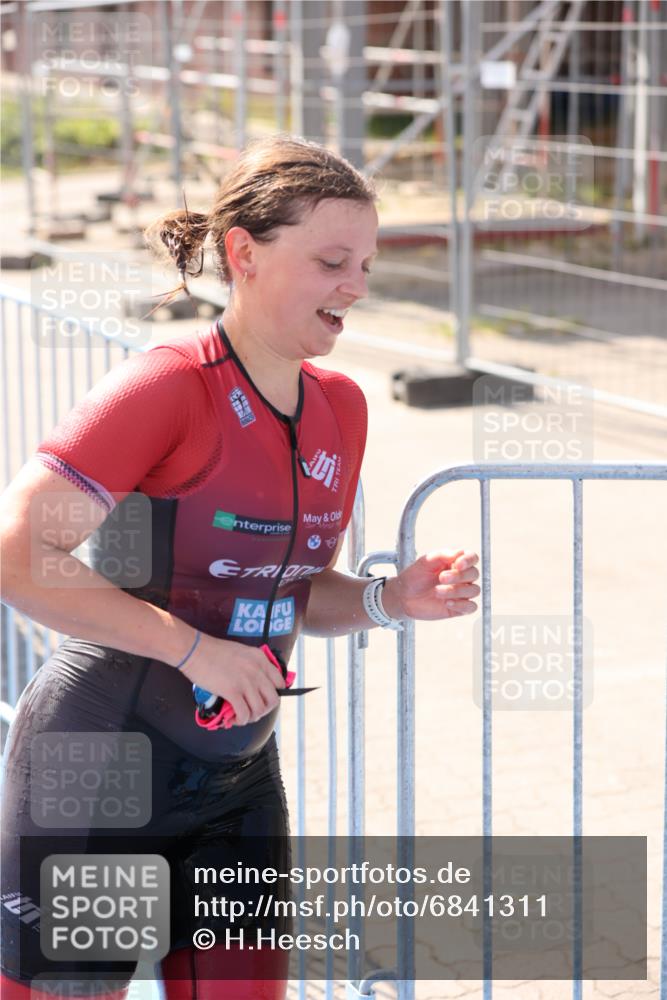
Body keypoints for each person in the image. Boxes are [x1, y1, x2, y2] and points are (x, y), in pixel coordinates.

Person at [0, 135, 480, 1000]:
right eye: (333, 260)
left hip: (236, 778)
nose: (357, 287)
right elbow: (18, 554)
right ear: (243, 253)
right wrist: (192, 650)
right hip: (104, 766)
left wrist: (385, 598)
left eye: (365, 263)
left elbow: (287, 590)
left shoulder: (340, 405)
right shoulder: (165, 386)